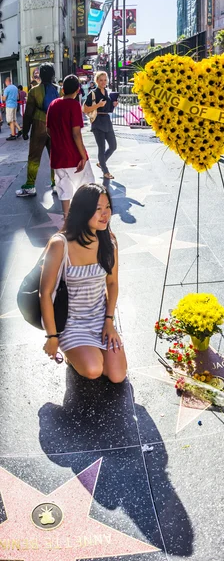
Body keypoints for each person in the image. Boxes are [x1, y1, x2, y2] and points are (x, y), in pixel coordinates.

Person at [40, 183, 127, 383]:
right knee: (94, 369)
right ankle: (73, 352)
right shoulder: (60, 244)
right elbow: (45, 293)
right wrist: (51, 337)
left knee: (117, 376)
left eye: (108, 208)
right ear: (83, 211)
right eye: (98, 209)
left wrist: (109, 321)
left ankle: (90, 350)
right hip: (71, 323)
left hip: (100, 319)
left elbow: (112, 283)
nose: (105, 214)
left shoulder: (109, 242)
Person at [46, 74, 95, 217]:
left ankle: (67, 218)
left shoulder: (53, 104)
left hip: (57, 156)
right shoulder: (74, 105)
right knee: (88, 186)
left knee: (63, 188)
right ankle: (88, 217)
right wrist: (83, 155)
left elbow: (48, 130)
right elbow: (76, 133)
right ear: (77, 90)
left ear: (63, 89)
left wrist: (59, 139)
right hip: (73, 155)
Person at [16, 63, 59, 197]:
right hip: (55, 127)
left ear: (40, 75)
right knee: (55, 157)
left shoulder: (34, 91)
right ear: (53, 75)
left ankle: (30, 185)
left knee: (34, 157)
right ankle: (56, 183)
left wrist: (25, 131)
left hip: (39, 126)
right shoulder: (60, 90)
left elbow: (28, 113)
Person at [83, 71, 118, 180]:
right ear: (96, 81)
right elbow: (84, 109)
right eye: (101, 80)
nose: (103, 82)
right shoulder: (93, 93)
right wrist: (98, 105)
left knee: (113, 146)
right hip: (97, 122)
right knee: (101, 148)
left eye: (105, 80)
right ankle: (105, 171)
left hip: (107, 121)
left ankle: (101, 162)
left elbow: (108, 109)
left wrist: (113, 105)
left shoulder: (107, 93)